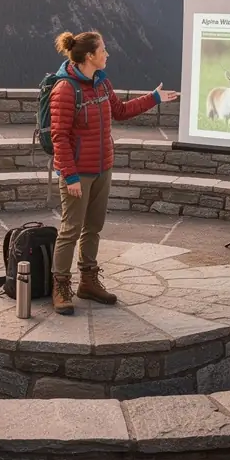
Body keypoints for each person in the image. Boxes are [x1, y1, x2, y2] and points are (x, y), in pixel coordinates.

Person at [48, 30, 179, 315]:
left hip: (102, 168)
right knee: (71, 230)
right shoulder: (65, 89)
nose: (107, 54)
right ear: (89, 56)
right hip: (78, 173)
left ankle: (88, 281)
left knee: (93, 227)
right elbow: (59, 137)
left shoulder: (102, 82)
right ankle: (60, 286)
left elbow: (119, 111)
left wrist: (153, 98)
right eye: (103, 50)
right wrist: (70, 176)